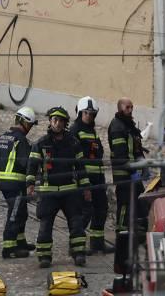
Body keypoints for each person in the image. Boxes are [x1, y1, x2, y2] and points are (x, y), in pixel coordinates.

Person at [27, 106, 89, 268]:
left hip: (70, 191)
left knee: (76, 223)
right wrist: (30, 184)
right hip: (49, 192)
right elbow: (32, 166)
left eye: (61, 120)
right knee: (46, 225)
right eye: (55, 120)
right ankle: (44, 256)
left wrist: (86, 188)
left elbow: (81, 168)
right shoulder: (40, 144)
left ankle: (78, 253)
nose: (58, 123)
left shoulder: (73, 143)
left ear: (65, 123)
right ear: (50, 121)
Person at [108, 97, 149, 275]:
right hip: (125, 177)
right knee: (124, 208)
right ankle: (122, 236)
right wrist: (133, 170)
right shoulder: (118, 127)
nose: (130, 109)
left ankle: (138, 241)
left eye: (132, 106)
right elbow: (120, 155)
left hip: (135, 177)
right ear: (120, 108)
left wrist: (143, 166)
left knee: (141, 207)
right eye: (127, 107)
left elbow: (137, 150)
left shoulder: (129, 126)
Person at [70, 96, 114, 255]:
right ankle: (76, 245)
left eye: (92, 113)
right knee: (85, 211)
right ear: (80, 113)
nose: (89, 116)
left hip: (98, 177)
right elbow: (75, 157)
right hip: (84, 178)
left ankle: (97, 243)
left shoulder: (91, 131)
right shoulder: (75, 131)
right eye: (86, 113)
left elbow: (98, 151)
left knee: (101, 209)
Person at [0, 106, 37, 259]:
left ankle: (20, 242)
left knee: (22, 212)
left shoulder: (3, 137)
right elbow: (24, 162)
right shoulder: (21, 140)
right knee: (15, 213)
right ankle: (9, 247)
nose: (30, 129)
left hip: (3, 180)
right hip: (15, 182)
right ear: (24, 123)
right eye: (30, 125)